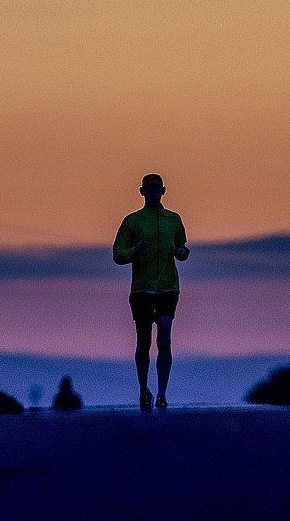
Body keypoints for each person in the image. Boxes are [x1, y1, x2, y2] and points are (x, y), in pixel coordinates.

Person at [112, 173, 190, 410]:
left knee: (164, 340)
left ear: (163, 191)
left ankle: (162, 393)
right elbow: (118, 255)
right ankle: (144, 389)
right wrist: (136, 250)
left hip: (168, 288)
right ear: (142, 191)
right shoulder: (132, 222)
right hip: (142, 291)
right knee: (143, 342)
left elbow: (181, 246)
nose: (154, 193)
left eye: (157, 189)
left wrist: (182, 253)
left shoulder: (174, 220)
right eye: (149, 189)